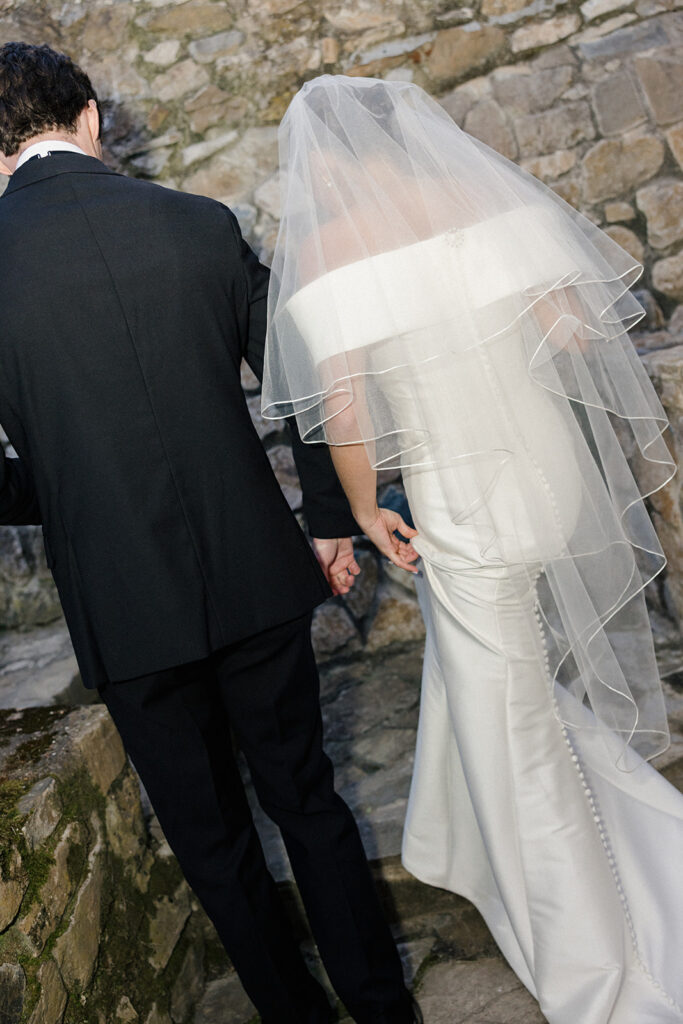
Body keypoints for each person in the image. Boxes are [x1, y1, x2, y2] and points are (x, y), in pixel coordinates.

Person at [0, 44, 423, 1024]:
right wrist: (330, 521)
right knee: (306, 801)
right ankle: (381, 1008)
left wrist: (64, 487)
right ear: (91, 118)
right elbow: (304, 375)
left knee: (212, 844)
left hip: (123, 608)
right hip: (254, 574)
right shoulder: (199, 222)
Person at [262, 74, 683, 1023]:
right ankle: (482, 845)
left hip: (468, 506)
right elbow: (571, 335)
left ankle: (594, 968)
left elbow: (345, 411)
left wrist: (365, 510)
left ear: (336, 158)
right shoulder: (477, 196)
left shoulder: (331, 247)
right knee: (504, 684)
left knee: (512, 726)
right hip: (549, 480)